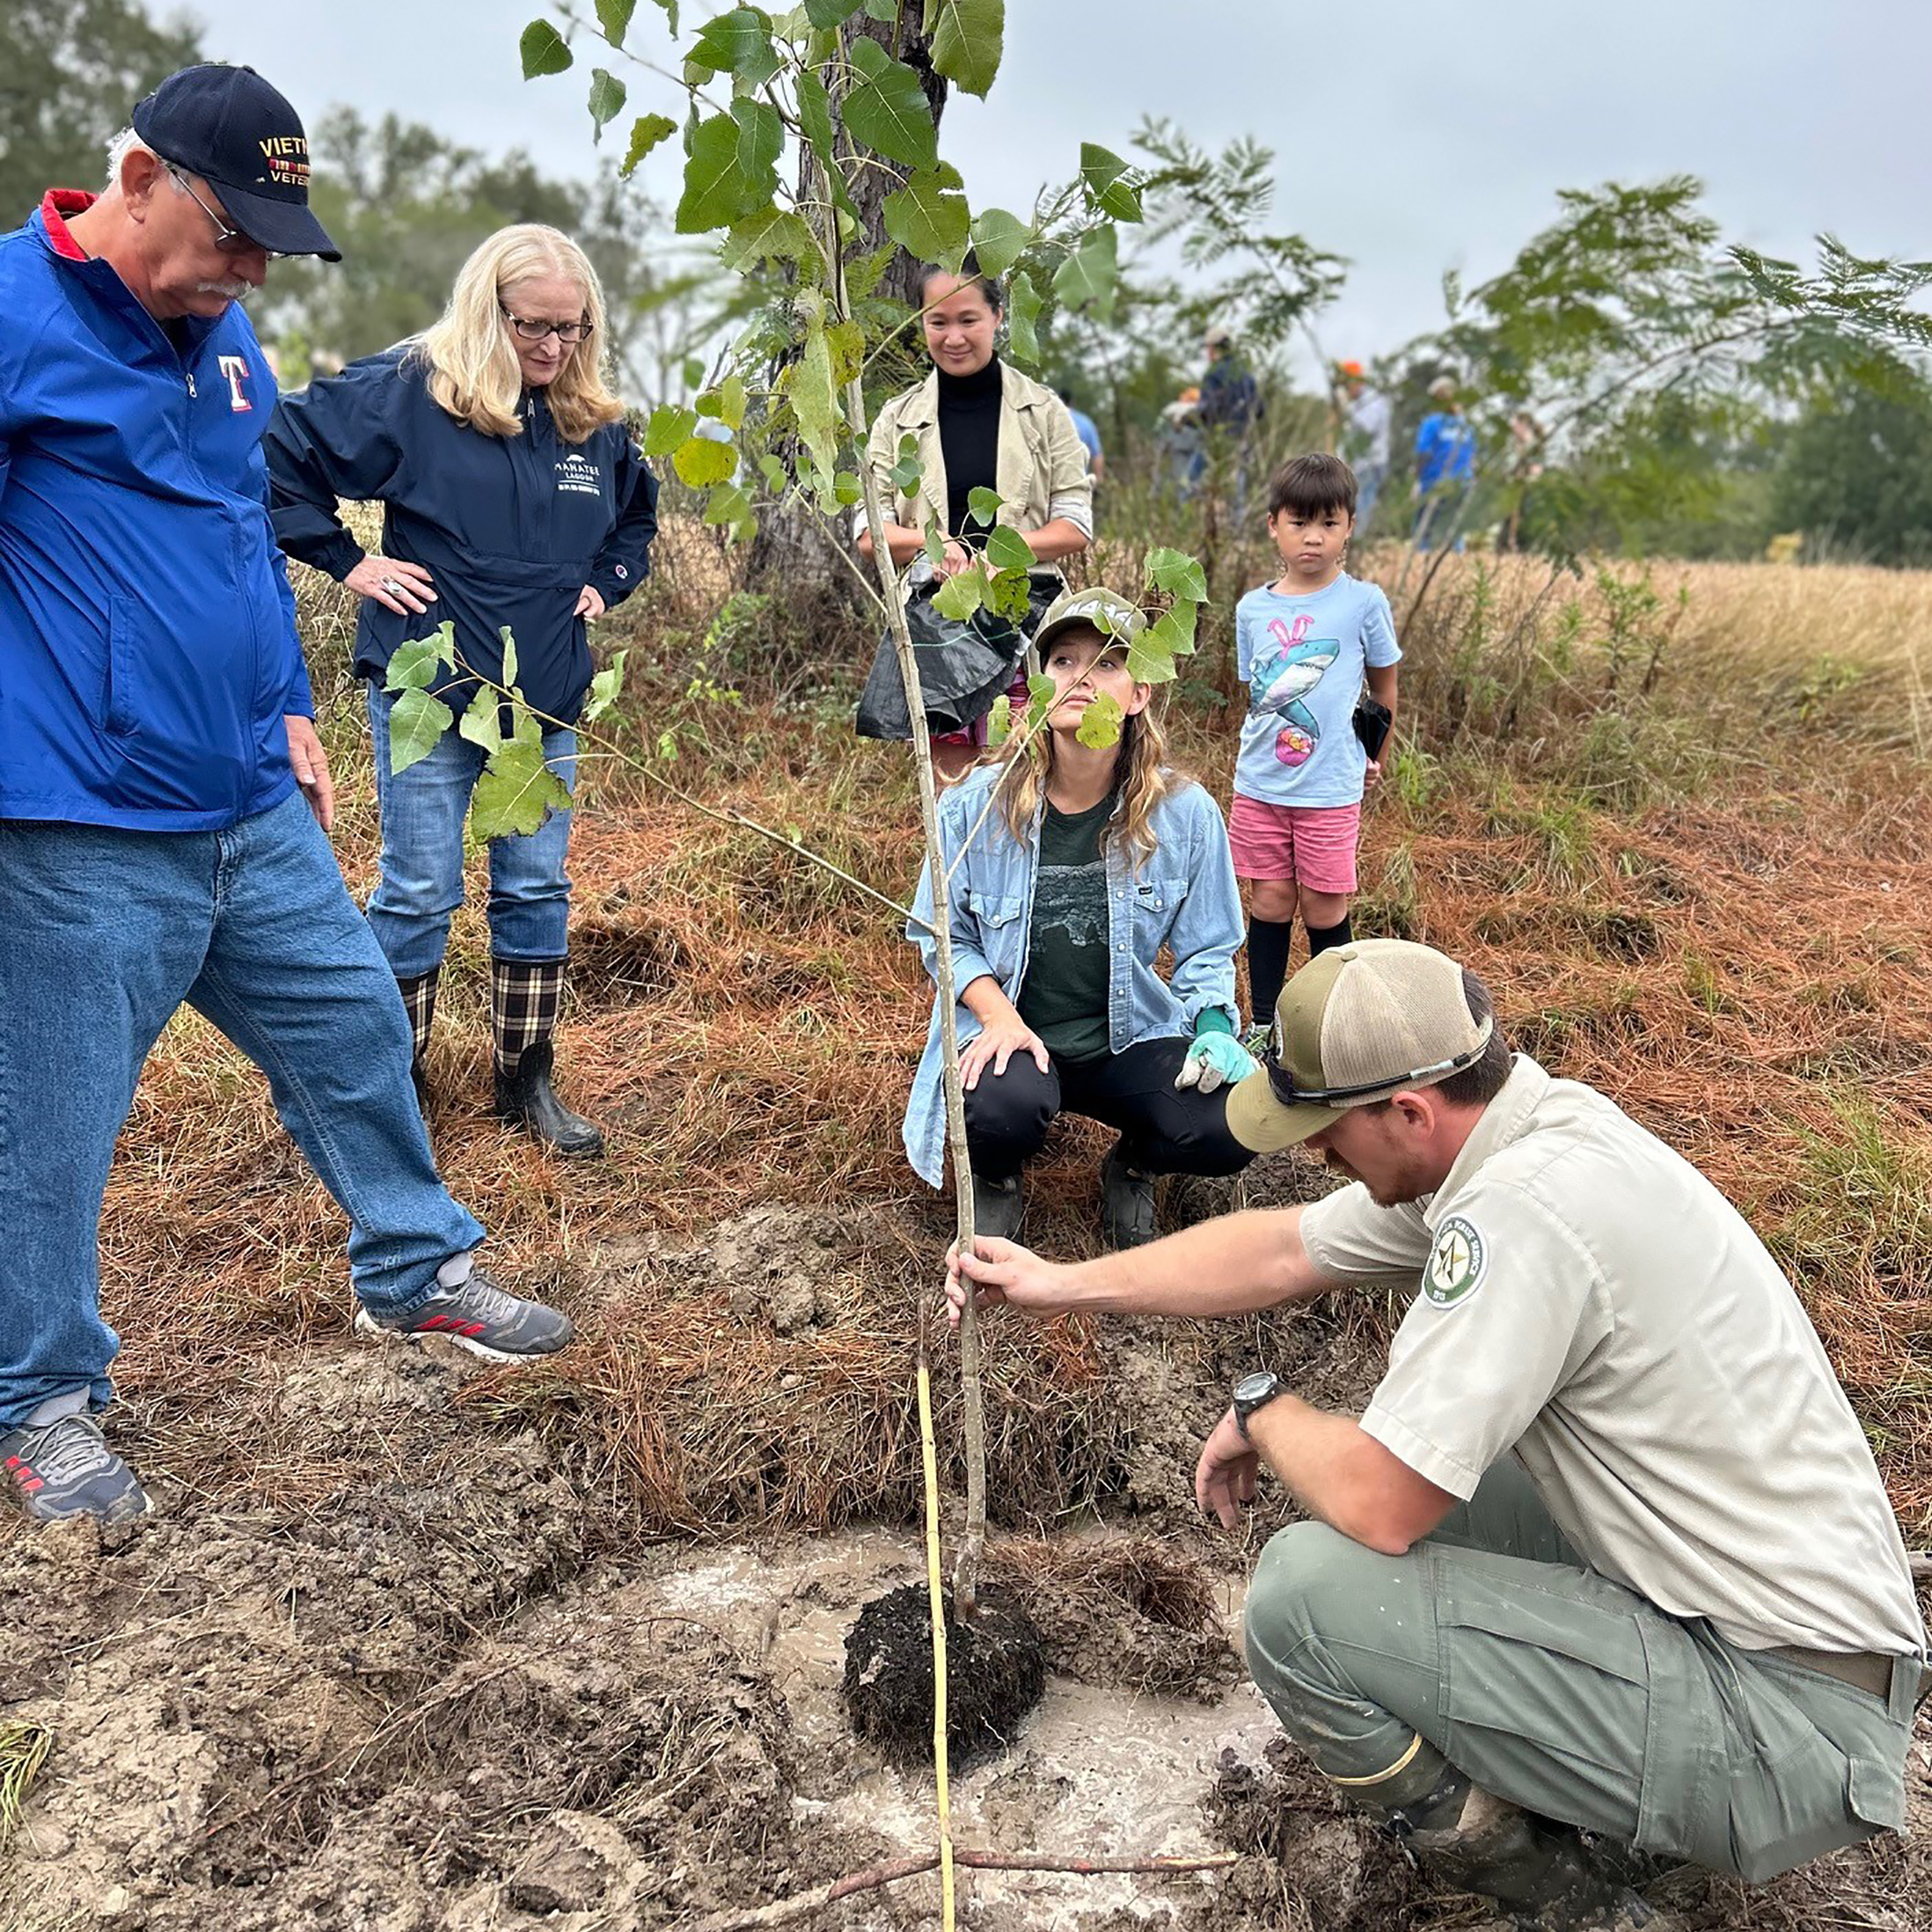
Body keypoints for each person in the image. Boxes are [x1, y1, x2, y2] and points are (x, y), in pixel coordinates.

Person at [949, 938, 1928, 1931]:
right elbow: (1288, 1246)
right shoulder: (1529, 1134)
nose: (1313, 1154)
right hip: (1795, 1649)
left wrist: (1265, 1412)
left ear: (1409, 1112)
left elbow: (1380, 1504)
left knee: (1301, 1604)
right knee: (1467, 1474)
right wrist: (1058, 1285)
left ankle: (1581, 1905)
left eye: (1325, 1131)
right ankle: (1593, 1769)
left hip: (1787, 1727)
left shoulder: (1518, 1215)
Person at [0, 66, 577, 1529]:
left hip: (249, 802)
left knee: (351, 1025)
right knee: (52, 1125)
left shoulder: (226, 336)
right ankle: (41, 1402)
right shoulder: (15, 316)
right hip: (78, 818)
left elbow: (239, 538)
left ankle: (414, 1272)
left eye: (271, 238)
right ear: (137, 179)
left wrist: (287, 706)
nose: (251, 265)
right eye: (232, 229)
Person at [266, 225, 657, 1158]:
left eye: (573, 328)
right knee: (417, 889)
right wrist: (349, 563)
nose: (554, 347)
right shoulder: (411, 390)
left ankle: (527, 1080)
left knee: (535, 885)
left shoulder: (590, 421)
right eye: (534, 327)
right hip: (431, 688)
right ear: (490, 310)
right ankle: (384, 1086)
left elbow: (638, 518)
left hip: (545, 695)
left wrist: (612, 578)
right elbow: (277, 454)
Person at [904, 587, 1257, 1249]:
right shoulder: (976, 805)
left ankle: (1135, 1165)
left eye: (1106, 664)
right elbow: (940, 932)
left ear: (1139, 694)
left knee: (1229, 1122)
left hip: (1128, 1039)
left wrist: (1213, 1027)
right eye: (1063, 661)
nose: (1081, 678)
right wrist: (1000, 1018)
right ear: (1038, 687)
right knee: (997, 1106)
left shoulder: (1185, 814)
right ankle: (1000, 1177)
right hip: (1018, 1037)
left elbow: (1209, 948)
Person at [857, 254, 1093, 779]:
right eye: (938, 322)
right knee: (953, 784)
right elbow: (868, 532)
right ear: (921, 323)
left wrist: (999, 559)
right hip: (935, 615)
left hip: (1027, 612)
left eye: (969, 320)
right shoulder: (896, 419)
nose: (954, 336)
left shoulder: (1044, 410)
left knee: (1024, 777)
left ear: (998, 316)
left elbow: (1075, 525)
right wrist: (931, 546)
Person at [1232, 454, 1400, 1036]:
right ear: (1273, 524)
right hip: (1261, 785)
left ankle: (1337, 1025)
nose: (1313, 537)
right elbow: (1258, 695)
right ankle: (1263, 1026)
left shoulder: (1363, 603)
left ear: (1350, 526)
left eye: (1328, 523)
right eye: (1299, 522)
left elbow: (1383, 688)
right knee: (1271, 901)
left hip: (1329, 787)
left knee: (1325, 905)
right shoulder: (1252, 609)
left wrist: (1375, 754)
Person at [1414, 373, 1477, 550]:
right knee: (1453, 528)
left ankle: (1422, 562)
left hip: (1434, 481)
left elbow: (1423, 453)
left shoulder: (1432, 423)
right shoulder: (1466, 426)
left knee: (1425, 527)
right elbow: (1472, 457)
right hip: (1462, 481)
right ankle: (1457, 557)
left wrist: (1418, 481)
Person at [1335, 360, 1391, 532]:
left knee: (1361, 505)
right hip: (1353, 465)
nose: (1345, 389)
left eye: (1347, 385)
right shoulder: (1355, 403)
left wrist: (1345, 410)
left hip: (1370, 463)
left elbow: (1365, 431)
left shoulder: (1373, 402)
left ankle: (1358, 541)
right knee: (1350, 505)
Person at [1056, 385, 1104, 482]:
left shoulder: (1052, 421)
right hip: (1080, 482)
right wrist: (1098, 479)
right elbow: (1097, 455)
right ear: (1072, 402)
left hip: (1055, 483)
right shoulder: (1086, 422)